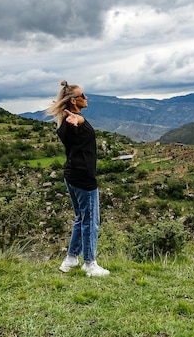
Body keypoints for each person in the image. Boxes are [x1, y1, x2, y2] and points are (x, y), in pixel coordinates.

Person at [45, 81, 110, 277]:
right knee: (91, 221)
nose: (86, 97)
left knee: (81, 218)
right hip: (83, 177)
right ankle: (90, 264)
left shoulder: (69, 120)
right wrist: (77, 122)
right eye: (83, 94)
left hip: (72, 175)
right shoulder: (72, 121)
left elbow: (79, 122)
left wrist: (78, 121)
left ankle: (71, 259)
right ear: (74, 100)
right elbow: (78, 124)